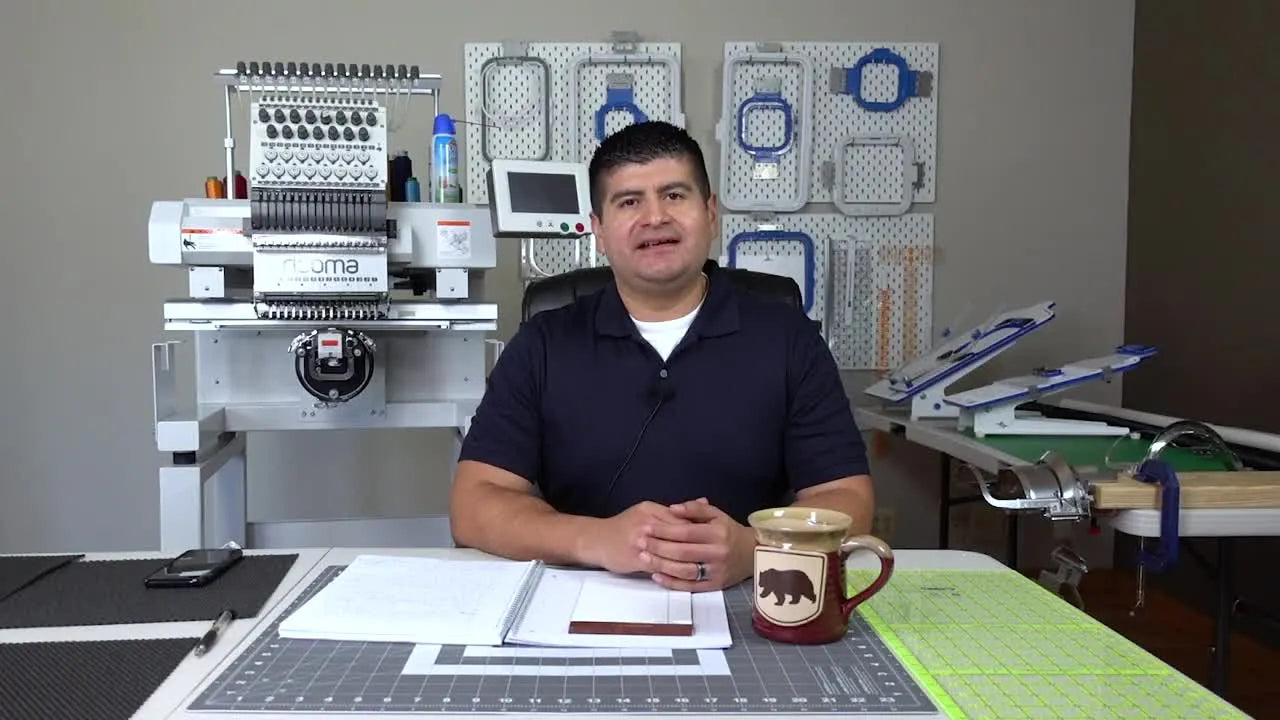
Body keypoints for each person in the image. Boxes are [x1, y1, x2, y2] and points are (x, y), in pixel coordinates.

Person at [449, 121, 874, 592]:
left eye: (674, 195)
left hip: (750, 598)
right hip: (577, 600)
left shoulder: (789, 339)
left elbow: (846, 496)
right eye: (629, 202)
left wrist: (755, 549)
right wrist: (597, 539)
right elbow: (474, 504)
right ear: (600, 230)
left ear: (711, 214)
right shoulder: (542, 345)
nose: (655, 218)